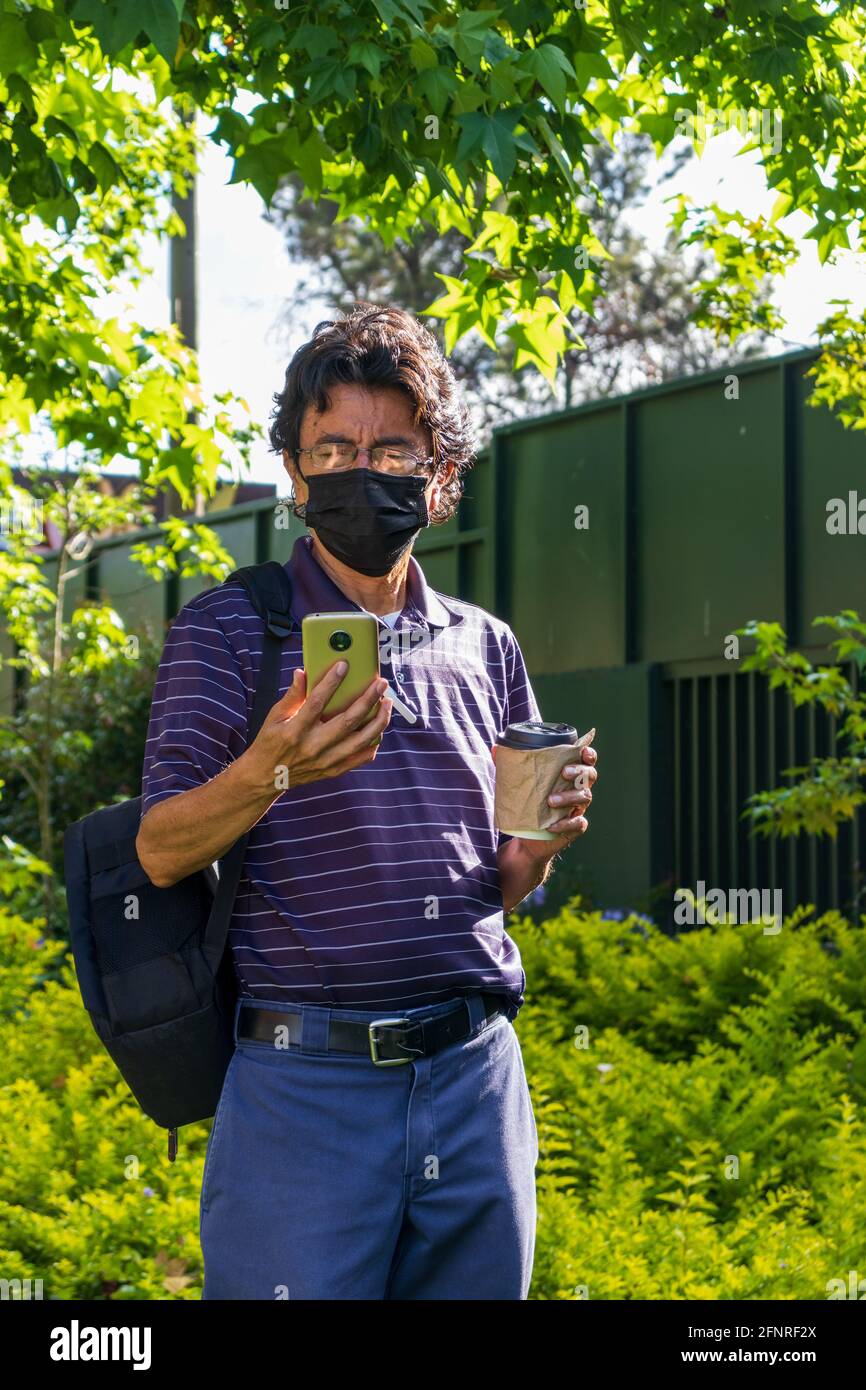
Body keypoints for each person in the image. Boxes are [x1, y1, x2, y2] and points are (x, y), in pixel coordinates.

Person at [135, 303, 598, 1300]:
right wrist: (271, 767)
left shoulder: (484, 645)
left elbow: (496, 884)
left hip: (474, 1082)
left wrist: (541, 841)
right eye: (332, 447)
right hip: (307, 1093)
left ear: (437, 475)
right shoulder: (229, 631)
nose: (359, 470)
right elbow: (162, 849)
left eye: (391, 448)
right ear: (296, 475)